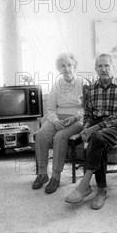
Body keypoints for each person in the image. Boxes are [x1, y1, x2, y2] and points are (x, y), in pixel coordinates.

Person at [64, 54, 117, 210]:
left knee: (98, 136)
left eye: (106, 65)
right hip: (97, 126)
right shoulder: (91, 89)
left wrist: (94, 128)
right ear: (95, 69)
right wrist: (86, 128)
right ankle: (101, 190)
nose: (103, 69)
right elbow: (88, 114)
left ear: (113, 67)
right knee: (97, 140)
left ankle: (86, 185)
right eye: (99, 66)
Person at [33, 53, 86, 193]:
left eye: (69, 65)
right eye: (63, 65)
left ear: (74, 66)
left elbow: (87, 108)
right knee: (41, 135)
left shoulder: (83, 83)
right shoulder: (56, 85)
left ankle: (56, 177)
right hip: (57, 117)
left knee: (59, 137)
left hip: (76, 119)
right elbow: (50, 109)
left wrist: (74, 117)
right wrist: (56, 121)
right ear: (59, 68)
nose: (67, 68)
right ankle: (42, 174)